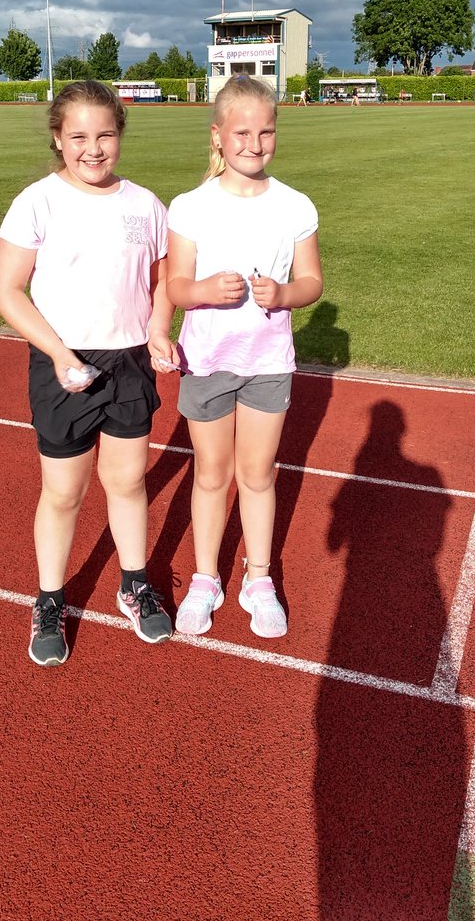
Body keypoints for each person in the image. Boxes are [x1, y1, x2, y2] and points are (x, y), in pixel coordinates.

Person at [0, 80, 178, 667]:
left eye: (104, 135)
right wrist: (58, 353)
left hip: (128, 363)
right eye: (78, 137)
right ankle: (49, 599)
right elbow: (5, 289)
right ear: (58, 138)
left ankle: (134, 582)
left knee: (126, 483)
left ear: (120, 134)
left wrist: (157, 330)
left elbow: (163, 280)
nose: (92, 148)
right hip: (63, 363)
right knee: (64, 491)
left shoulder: (146, 205)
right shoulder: (37, 202)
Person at [166, 75, 323, 639]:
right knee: (211, 474)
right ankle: (207, 578)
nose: (254, 144)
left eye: (266, 132)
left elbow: (311, 282)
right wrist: (204, 290)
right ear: (218, 136)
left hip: (268, 362)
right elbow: (176, 286)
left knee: (257, 475)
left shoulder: (295, 205)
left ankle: (259, 580)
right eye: (242, 133)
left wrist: (283, 295)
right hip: (208, 361)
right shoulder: (190, 207)